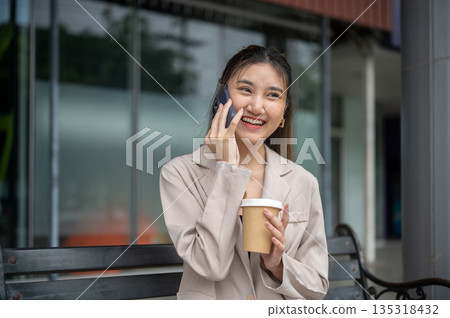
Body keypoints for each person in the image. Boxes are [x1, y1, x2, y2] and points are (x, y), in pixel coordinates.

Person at [159, 45, 328, 300]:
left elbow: (316, 286)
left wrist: (278, 266)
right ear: (222, 97)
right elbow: (210, 266)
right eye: (246, 90)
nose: (257, 106)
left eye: (273, 95)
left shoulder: (303, 182)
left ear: (284, 112)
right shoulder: (179, 174)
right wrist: (228, 170)